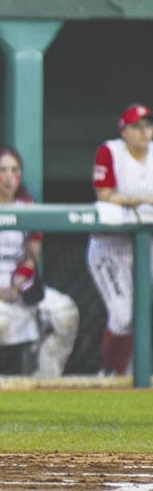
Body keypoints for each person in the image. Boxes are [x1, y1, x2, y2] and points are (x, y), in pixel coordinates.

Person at [0, 146, 80, 377]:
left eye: (15, 170)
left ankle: (46, 374)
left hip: (17, 285)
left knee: (65, 312)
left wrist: (17, 283)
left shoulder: (27, 207)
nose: (9, 176)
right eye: (2, 170)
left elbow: (32, 256)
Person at [86, 103, 153, 375]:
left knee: (142, 315)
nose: (144, 132)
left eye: (147, 126)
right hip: (110, 246)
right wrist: (142, 199)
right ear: (123, 131)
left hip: (145, 245)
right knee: (124, 317)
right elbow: (104, 195)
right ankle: (108, 373)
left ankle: (135, 374)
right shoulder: (111, 151)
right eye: (136, 127)